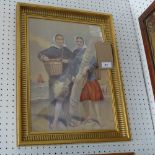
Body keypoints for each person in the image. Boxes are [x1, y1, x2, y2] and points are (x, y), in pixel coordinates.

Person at [49, 36, 87, 129]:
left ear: (83, 42)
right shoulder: (74, 52)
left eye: (80, 41)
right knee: (60, 98)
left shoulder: (86, 52)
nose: (78, 42)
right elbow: (72, 63)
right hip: (68, 77)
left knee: (72, 101)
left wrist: (79, 73)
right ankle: (55, 122)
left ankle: (71, 121)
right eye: (77, 41)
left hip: (78, 79)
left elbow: (86, 64)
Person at [38, 33, 73, 129]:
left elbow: (73, 59)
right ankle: (55, 121)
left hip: (65, 78)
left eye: (62, 39)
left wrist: (67, 61)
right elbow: (40, 54)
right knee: (55, 99)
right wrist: (43, 57)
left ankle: (63, 120)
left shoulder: (66, 50)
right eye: (58, 39)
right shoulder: (51, 49)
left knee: (64, 100)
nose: (60, 41)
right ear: (55, 40)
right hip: (54, 78)